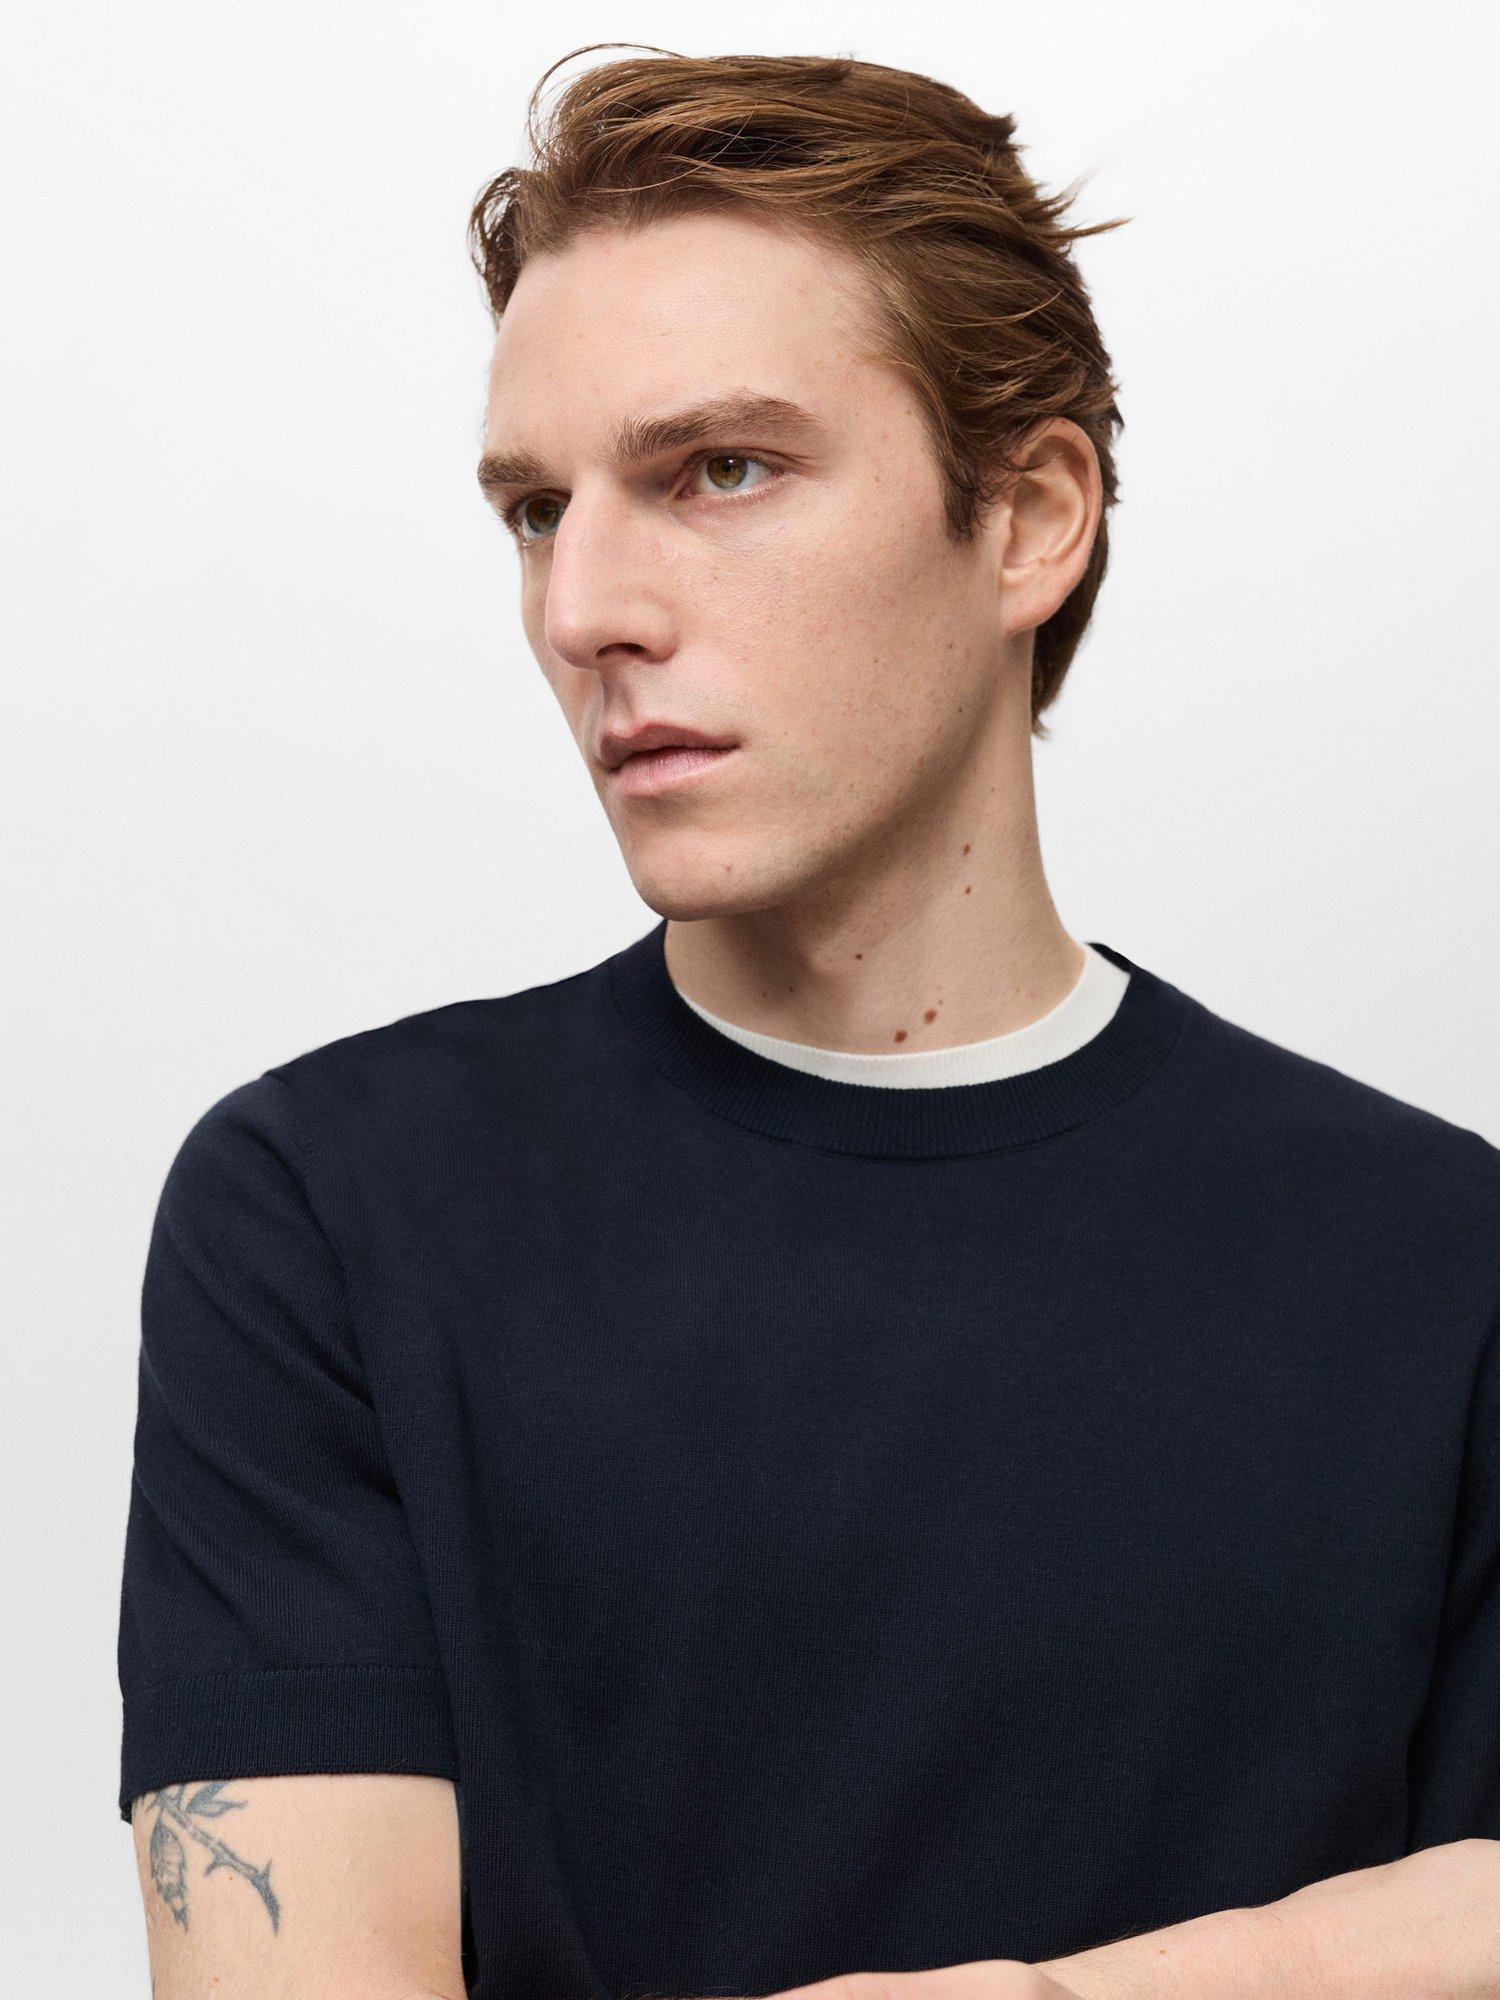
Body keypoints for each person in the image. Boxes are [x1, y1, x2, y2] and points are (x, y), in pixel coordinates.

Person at [117, 45, 1500, 2000]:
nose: (586, 605)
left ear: (1027, 519)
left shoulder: (1439, 1264)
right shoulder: (328, 1212)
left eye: (722, 470)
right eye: (537, 508)